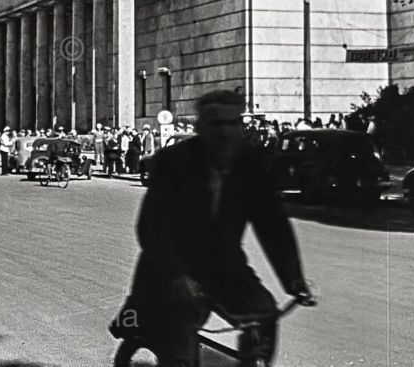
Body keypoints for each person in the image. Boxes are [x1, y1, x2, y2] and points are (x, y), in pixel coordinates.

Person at [109, 90, 314, 366]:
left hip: (226, 267)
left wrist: (294, 280)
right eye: (217, 124)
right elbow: (151, 227)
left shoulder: (249, 165)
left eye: (232, 124)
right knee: (180, 349)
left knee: (264, 314)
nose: (225, 133)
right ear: (200, 128)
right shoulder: (174, 162)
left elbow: (272, 224)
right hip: (171, 270)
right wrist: (176, 274)